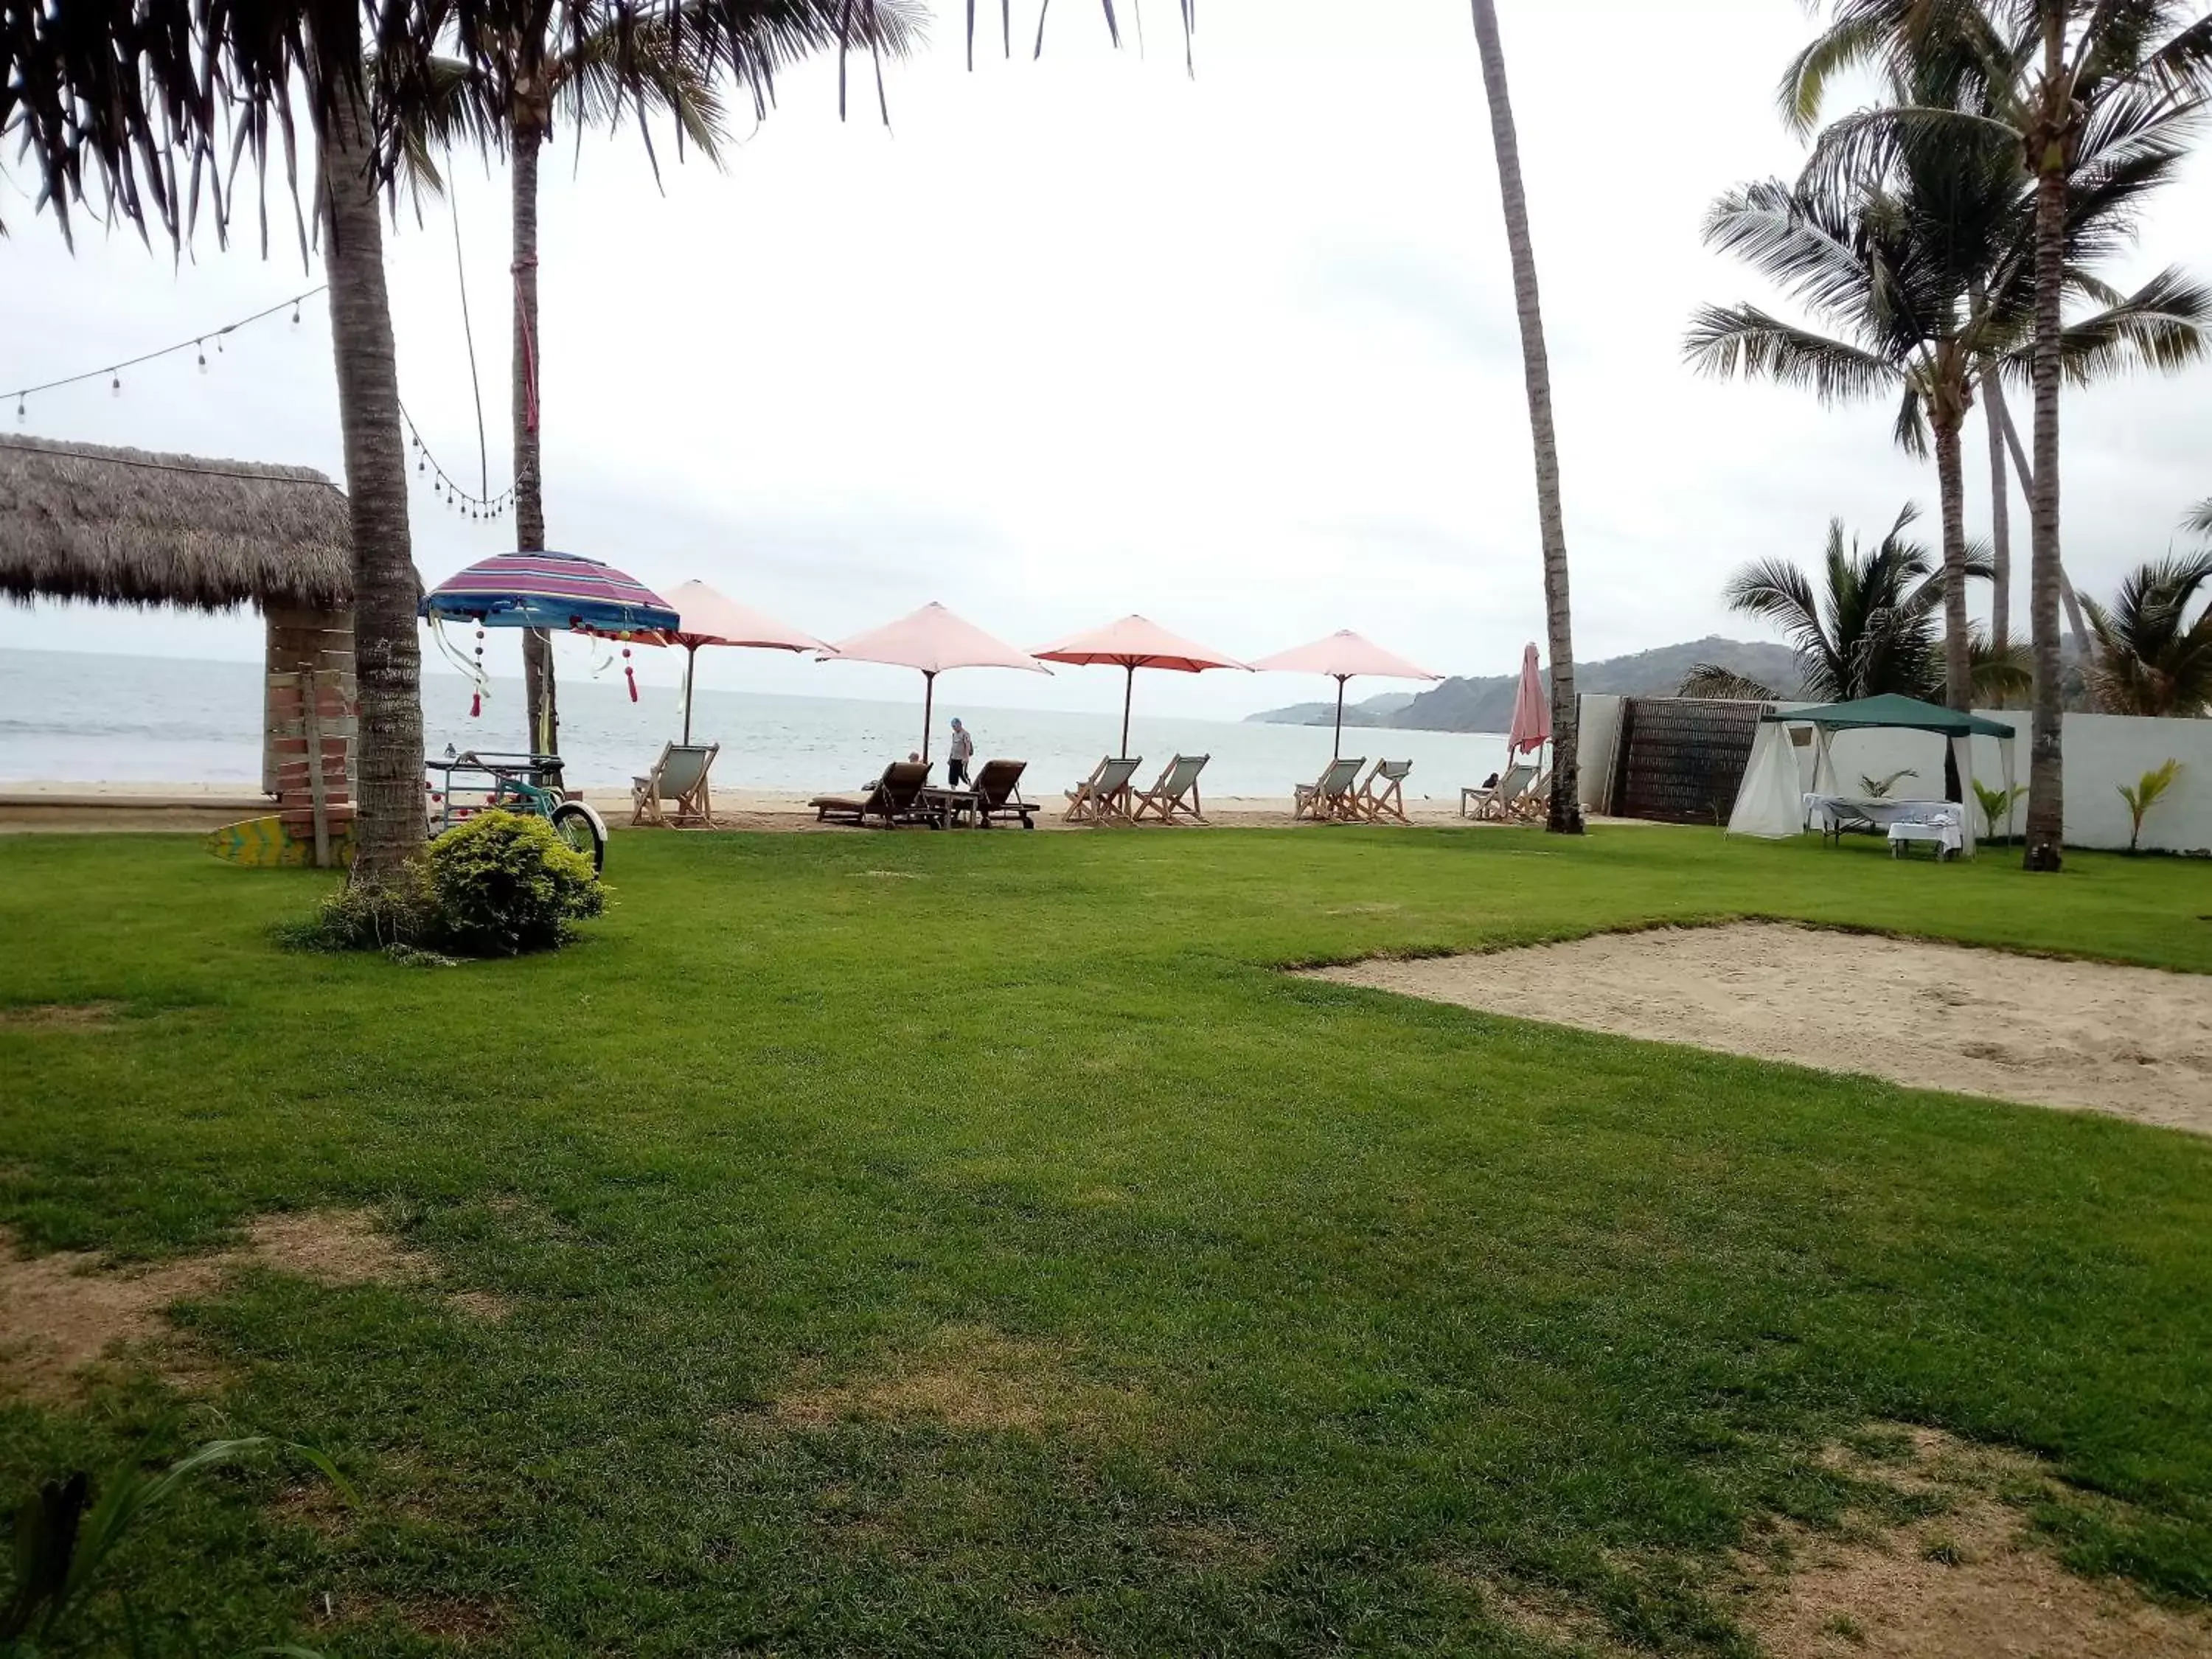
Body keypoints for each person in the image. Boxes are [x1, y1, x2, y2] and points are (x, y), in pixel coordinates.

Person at [947, 717, 975, 787]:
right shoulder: (954, 734)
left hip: (961, 759)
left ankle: (972, 787)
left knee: (963, 775)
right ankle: (952, 792)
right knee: (952, 776)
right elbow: (953, 747)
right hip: (954, 758)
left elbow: (968, 746)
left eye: (955, 726)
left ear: (959, 725)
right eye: (952, 727)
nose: (954, 728)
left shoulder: (965, 734)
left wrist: (966, 758)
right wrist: (950, 758)